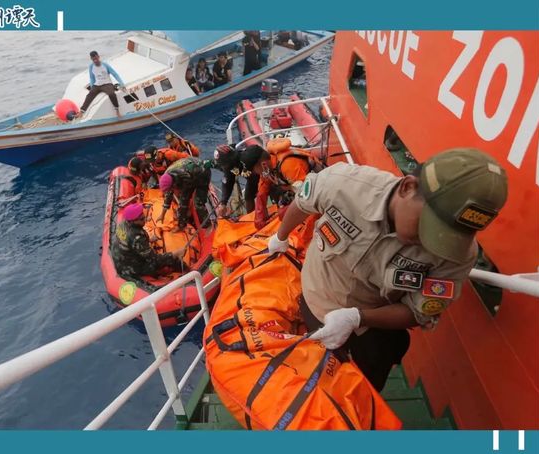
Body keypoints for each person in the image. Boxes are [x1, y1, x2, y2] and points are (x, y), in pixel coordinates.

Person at [267, 148, 508, 391]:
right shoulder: (343, 184)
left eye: (447, 237)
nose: (431, 242)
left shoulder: (457, 256)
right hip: (314, 301)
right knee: (316, 381)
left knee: (364, 388)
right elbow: (303, 203)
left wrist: (357, 318)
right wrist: (280, 237)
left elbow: (418, 311)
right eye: (429, 227)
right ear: (408, 187)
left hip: (373, 327)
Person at [240, 138, 314, 229]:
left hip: (310, 188)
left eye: (255, 171)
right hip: (295, 188)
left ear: (263, 165)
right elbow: (262, 190)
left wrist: (287, 211)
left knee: (283, 213)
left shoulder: (288, 166)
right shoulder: (267, 168)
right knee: (281, 204)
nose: (256, 173)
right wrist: (260, 215)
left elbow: (308, 195)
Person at [112, 203, 186, 279]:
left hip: (123, 259)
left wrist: (148, 240)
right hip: (130, 267)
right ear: (133, 221)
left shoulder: (123, 224)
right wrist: (175, 253)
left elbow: (130, 242)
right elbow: (155, 259)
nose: (145, 220)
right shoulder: (136, 237)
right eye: (141, 219)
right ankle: (188, 273)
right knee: (171, 260)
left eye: (144, 217)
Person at [157, 157, 213, 231]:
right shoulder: (166, 177)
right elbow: (168, 196)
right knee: (183, 202)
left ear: (173, 185)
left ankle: (208, 224)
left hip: (202, 173)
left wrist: (187, 207)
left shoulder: (185, 176)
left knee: (198, 203)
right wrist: (162, 215)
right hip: (188, 172)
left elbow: (186, 193)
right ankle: (181, 225)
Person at [213, 144, 260, 216]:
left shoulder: (246, 157)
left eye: (226, 164)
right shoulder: (229, 168)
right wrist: (223, 203)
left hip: (263, 176)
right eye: (224, 165)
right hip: (252, 179)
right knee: (248, 197)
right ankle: (251, 217)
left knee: (263, 193)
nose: (226, 167)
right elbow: (227, 184)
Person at [79, 51, 126, 118]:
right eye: (93, 59)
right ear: (91, 59)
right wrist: (92, 87)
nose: (95, 61)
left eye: (96, 58)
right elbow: (92, 78)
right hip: (97, 85)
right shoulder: (91, 66)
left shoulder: (105, 65)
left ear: (98, 57)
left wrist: (122, 84)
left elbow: (115, 74)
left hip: (107, 84)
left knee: (112, 94)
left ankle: (117, 110)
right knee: (89, 95)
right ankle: (82, 111)